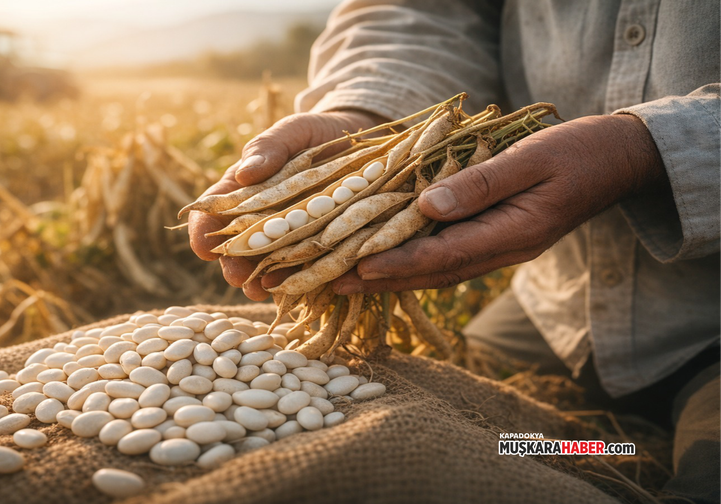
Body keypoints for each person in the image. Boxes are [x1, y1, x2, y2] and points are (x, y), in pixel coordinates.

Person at [188, 2, 720, 501]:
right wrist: (364, 110)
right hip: (558, 305)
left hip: (708, 325)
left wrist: (644, 149)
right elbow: (426, 10)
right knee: (498, 443)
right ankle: (617, 453)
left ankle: (624, 456)